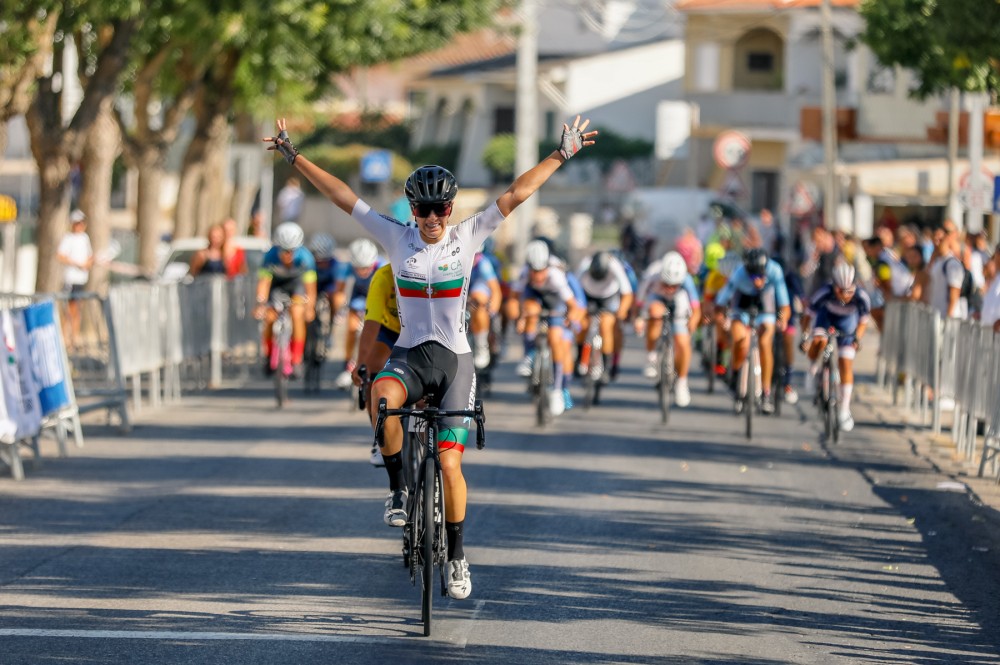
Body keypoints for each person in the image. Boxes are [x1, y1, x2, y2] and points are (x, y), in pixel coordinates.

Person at [265, 114, 597, 600]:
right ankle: (399, 489)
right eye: (425, 209)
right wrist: (295, 157)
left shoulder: (469, 235)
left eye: (441, 207)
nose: (434, 217)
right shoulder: (397, 237)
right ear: (413, 209)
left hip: (454, 360)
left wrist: (561, 153)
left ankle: (458, 557)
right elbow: (342, 196)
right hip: (409, 354)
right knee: (381, 395)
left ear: (452, 206)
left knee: (449, 465)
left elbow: (517, 193)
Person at [512, 239, 584, 414]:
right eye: (533, 272)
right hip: (534, 297)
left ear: (547, 267)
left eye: (541, 271)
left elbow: (574, 305)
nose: (537, 276)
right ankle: (529, 356)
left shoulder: (556, 275)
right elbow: (514, 299)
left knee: (555, 337)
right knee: (530, 310)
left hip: (555, 300)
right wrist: (518, 317)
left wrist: (571, 319)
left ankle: (558, 390)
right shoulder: (524, 274)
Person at [716, 247, 791, 415]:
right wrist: (721, 317)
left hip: (766, 310)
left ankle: (765, 392)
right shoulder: (739, 273)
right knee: (740, 341)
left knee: (765, 343)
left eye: (761, 276)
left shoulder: (774, 271)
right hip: (741, 310)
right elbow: (723, 299)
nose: (757, 281)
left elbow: (784, 304)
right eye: (753, 277)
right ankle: (735, 376)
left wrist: (782, 319)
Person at [802, 263, 870, 432]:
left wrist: (857, 338)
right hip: (825, 319)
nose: (845, 295)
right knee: (819, 341)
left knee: (846, 363)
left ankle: (844, 409)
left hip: (847, 325)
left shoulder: (861, 297)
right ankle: (813, 368)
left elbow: (863, 321)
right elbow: (807, 317)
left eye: (849, 291)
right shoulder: (824, 293)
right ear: (834, 286)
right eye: (840, 290)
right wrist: (805, 337)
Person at [634, 251, 699, 407]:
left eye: (674, 285)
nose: (670, 289)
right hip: (656, 299)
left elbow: (696, 309)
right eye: (666, 284)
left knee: (683, 343)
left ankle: (682, 382)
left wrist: (692, 323)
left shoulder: (687, 280)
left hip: (679, 303)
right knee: (655, 313)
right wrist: (639, 319)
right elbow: (639, 302)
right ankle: (651, 358)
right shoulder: (652, 275)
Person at [253, 221, 317, 379]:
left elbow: (310, 288)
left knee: (297, 313)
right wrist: (260, 304)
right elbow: (264, 284)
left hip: (296, 287)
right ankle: (268, 355)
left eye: (291, 251)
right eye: (284, 251)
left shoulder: (306, 258)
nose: (288, 255)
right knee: (268, 318)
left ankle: (296, 359)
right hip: (277, 287)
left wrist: (310, 308)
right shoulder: (270, 256)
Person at [355, 262, 401, 466]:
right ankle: (379, 435)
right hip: (391, 331)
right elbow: (371, 323)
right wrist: (360, 364)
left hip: (423, 333)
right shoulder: (383, 277)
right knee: (371, 372)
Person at [333, 238, 386, 388]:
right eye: (359, 268)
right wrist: (340, 309)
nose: (362, 271)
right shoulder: (346, 267)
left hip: (378, 297)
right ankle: (347, 364)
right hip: (359, 296)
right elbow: (340, 291)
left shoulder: (382, 266)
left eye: (366, 268)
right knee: (351, 328)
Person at [577, 250, 634, 383]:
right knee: (583, 324)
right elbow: (574, 289)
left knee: (606, 325)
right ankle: (580, 354)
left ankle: (606, 363)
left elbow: (627, 293)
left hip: (609, 297)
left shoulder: (614, 266)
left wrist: (622, 311)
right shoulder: (584, 264)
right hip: (588, 295)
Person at [57, 209, 94, 348]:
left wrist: (88, 264)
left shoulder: (85, 238)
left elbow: (89, 256)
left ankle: (74, 338)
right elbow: (60, 255)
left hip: (81, 279)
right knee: (68, 309)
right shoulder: (68, 238)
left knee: (77, 309)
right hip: (70, 279)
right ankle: (64, 337)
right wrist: (78, 264)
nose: (80, 226)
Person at [928, 220, 968, 320]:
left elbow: (954, 293)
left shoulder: (952, 263)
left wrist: (948, 319)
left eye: (940, 238)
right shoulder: (938, 261)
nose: (937, 240)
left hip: (948, 318)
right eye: (935, 237)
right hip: (937, 316)